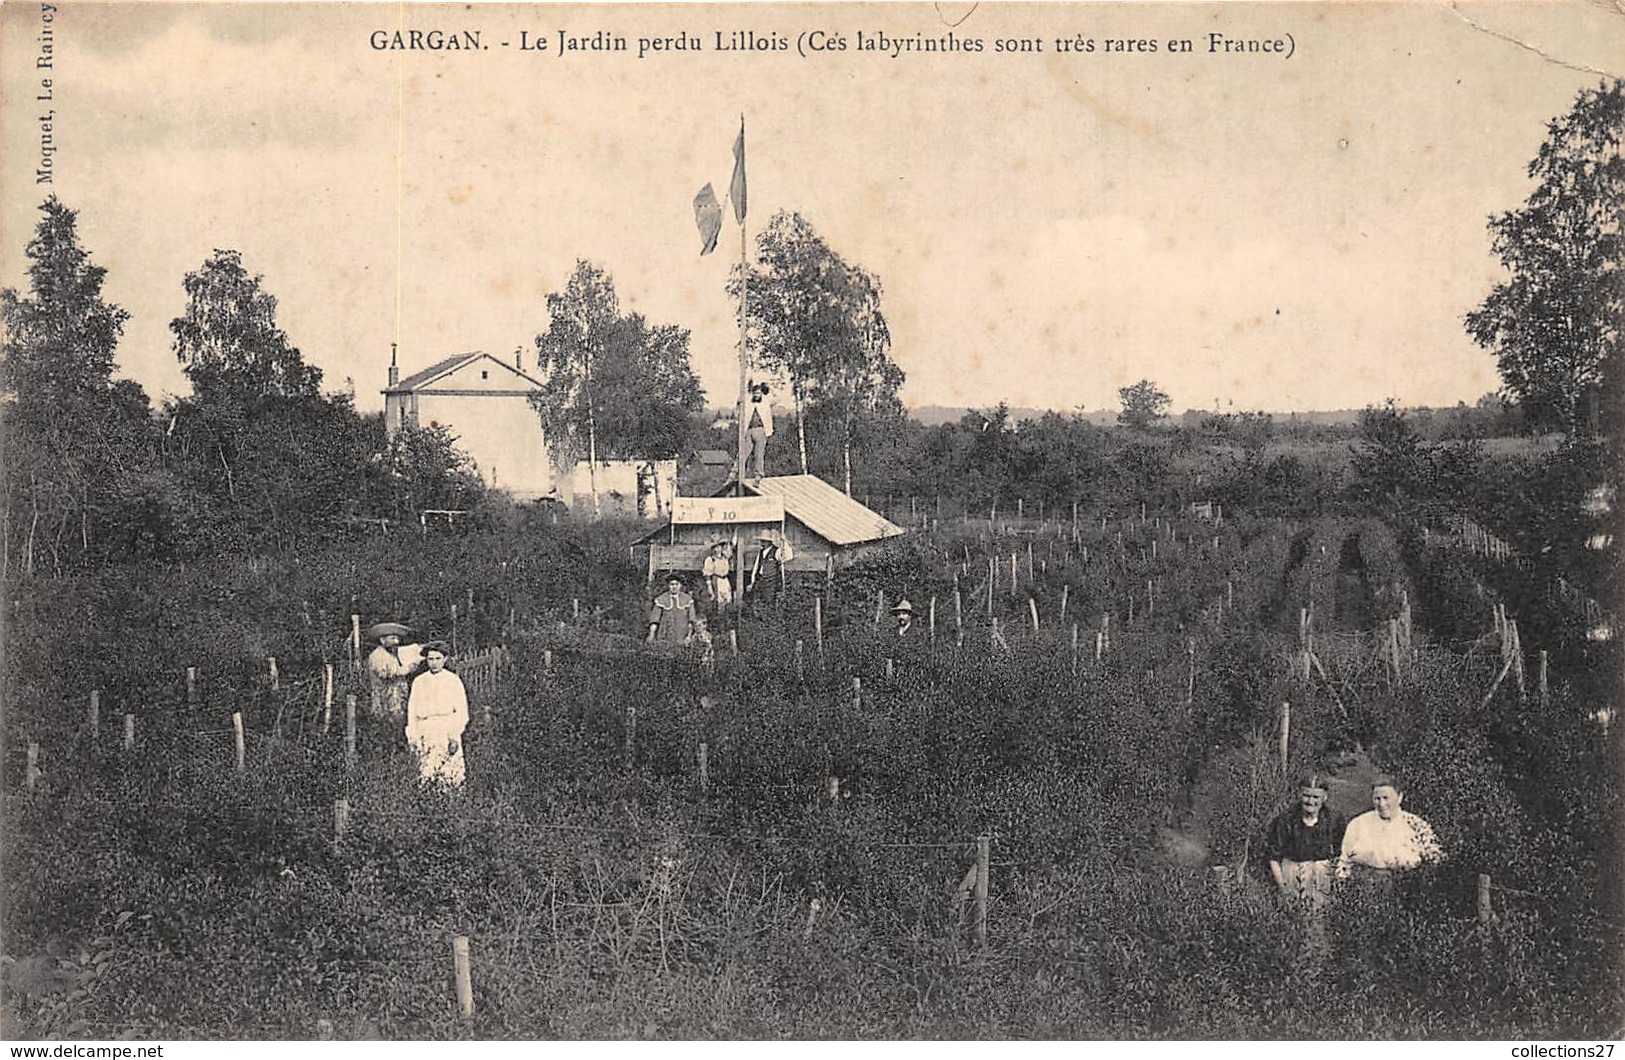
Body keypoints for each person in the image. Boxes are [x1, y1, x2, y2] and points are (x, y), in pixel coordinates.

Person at [1337, 775, 1443, 884]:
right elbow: (1344, 862)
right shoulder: (1358, 824)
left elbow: (1435, 859)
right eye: (1377, 799)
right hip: (1367, 885)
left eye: (1386, 798)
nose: (1382, 804)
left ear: (1400, 797)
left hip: (1408, 885)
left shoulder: (1416, 824)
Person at [1265, 774, 1347, 910]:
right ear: (1299, 794)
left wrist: (1337, 881)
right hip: (1292, 874)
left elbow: (1342, 853)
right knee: (1293, 918)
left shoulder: (1334, 819)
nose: (1310, 801)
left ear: (1325, 797)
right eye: (1306, 796)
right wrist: (1283, 888)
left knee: (1320, 919)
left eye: (1316, 797)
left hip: (1322, 876)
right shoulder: (1286, 819)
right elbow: (1274, 857)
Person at [405, 641, 468, 788]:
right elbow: (412, 711)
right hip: (425, 729)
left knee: (449, 774)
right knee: (426, 772)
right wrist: (413, 737)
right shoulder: (419, 681)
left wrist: (454, 736)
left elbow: (461, 711)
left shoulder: (453, 680)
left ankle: (451, 805)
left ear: (445, 659)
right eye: (430, 659)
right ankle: (427, 803)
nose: (434, 663)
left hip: (446, 729)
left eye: (438, 659)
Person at [366, 621, 423, 720]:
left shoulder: (392, 655)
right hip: (384, 699)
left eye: (397, 638)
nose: (396, 642)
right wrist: (407, 669)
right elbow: (387, 674)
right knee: (385, 723)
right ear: (382, 640)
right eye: (392, 638)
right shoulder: (377, 655)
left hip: (396, 698)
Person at [647, 574, 698, 644]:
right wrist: (651, 635)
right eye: (672, 584)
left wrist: (689, 636)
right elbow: (655, 620)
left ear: (680, 585)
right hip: (665, 635)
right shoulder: (661, 599)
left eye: (677, 584)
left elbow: (691, 621)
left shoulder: (688, 600)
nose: (674, 587)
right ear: (668, 585)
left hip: (682, 635)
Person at [750, 530, 794, 603]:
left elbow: (788, 556)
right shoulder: (761, 552)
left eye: (764, 541)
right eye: (762, 541)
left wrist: (784, 542)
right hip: (760, 582)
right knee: (758, 604)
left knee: (769, 604)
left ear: (769, 542)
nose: (762, 543)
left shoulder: (776, 551)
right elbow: (756, 568)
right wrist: (753, 582)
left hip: (771, 584)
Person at [745, 381, 774, 482]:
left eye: (758, 393)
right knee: (743, 453)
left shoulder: (766, 401)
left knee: (759, 454)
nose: (756, 395)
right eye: (755, 393)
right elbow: (742, 399)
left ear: (761, 393)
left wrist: (767, 388)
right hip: (749, 429)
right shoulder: (749, 402)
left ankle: (758, 475)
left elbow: (777, 398)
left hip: (761, 430)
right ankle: (735, 474)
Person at [702, 542, 733, 608]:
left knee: (728, 599)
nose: (716, 549)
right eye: (715, 548)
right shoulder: (710, 559)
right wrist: (709, 586)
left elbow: (731, 547)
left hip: (725, 580)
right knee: (718, 600)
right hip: (716, 580)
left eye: (718, 547)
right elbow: (707, 574)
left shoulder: (725, 557)